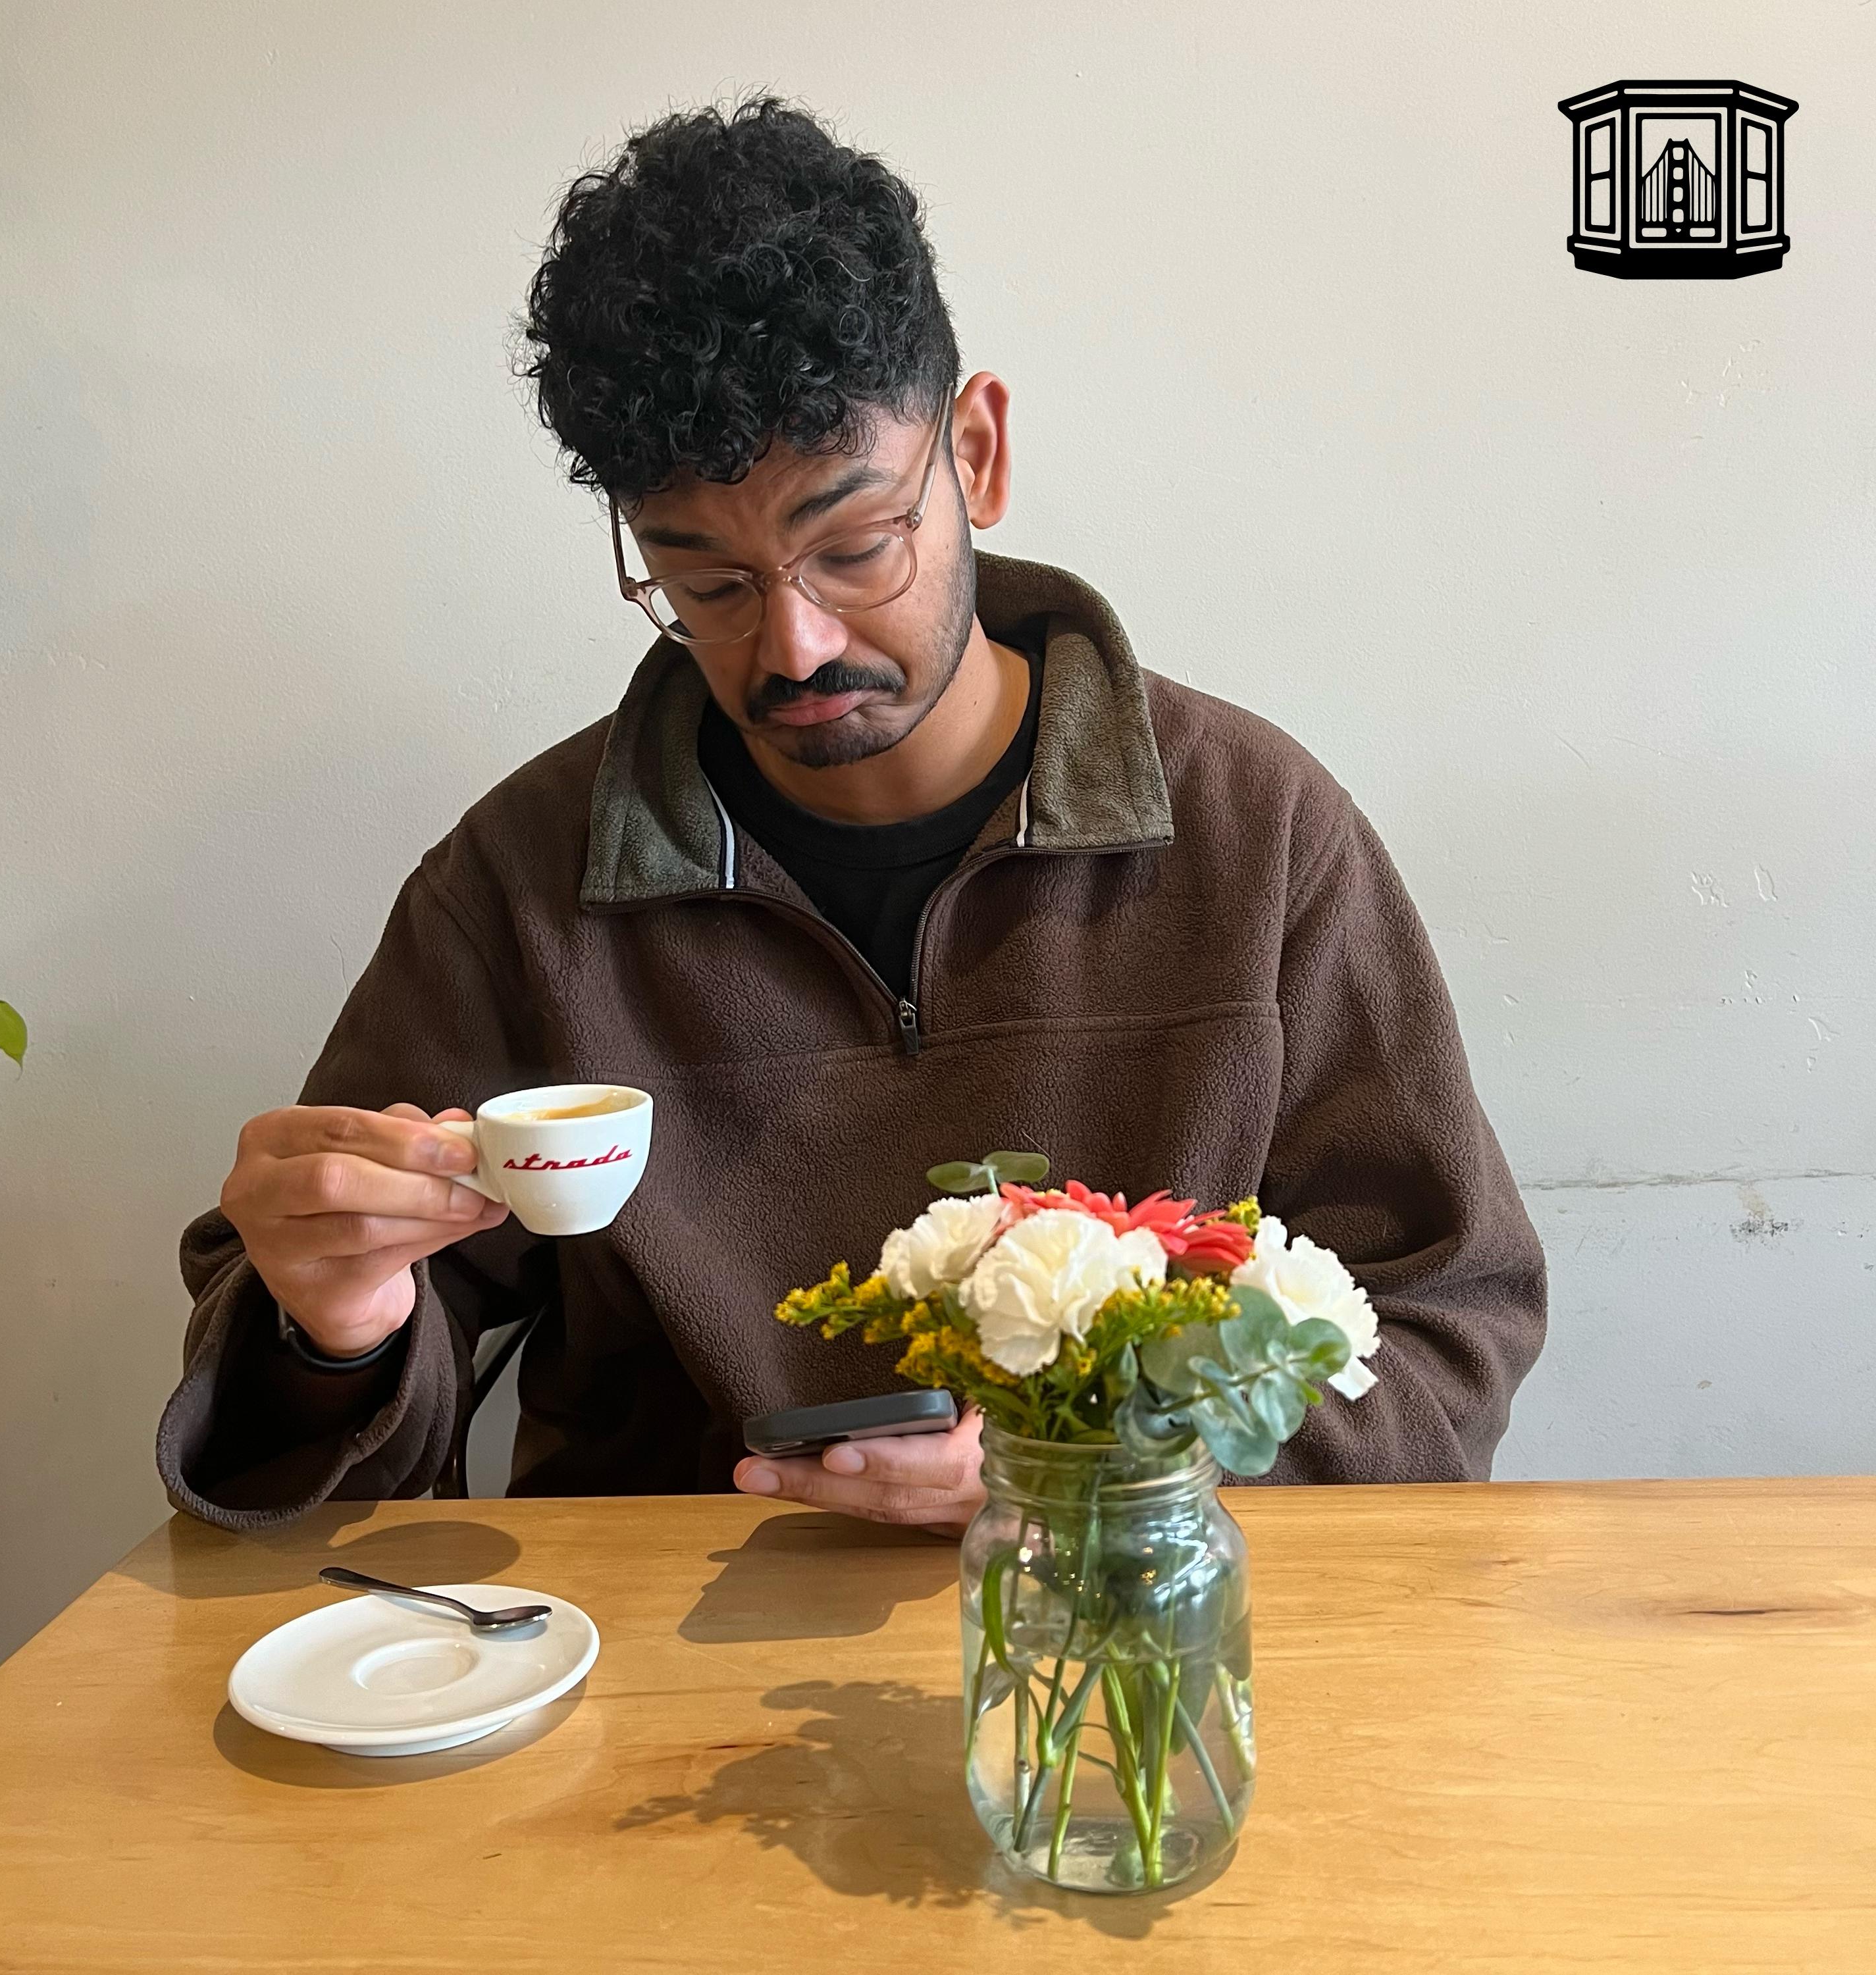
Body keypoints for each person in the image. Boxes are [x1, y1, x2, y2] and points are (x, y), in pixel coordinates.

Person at [157, 94, 1547, 1536]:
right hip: (657, 1668)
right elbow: (325, 1464)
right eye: (707, 584)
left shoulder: (1253, 839)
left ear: (977, 453)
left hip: (1125, 1627)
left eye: (855, 544)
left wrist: (1101, 1470)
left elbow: (1447, 1320)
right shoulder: (522, 886)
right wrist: (334, 1322)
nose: (795, 643)